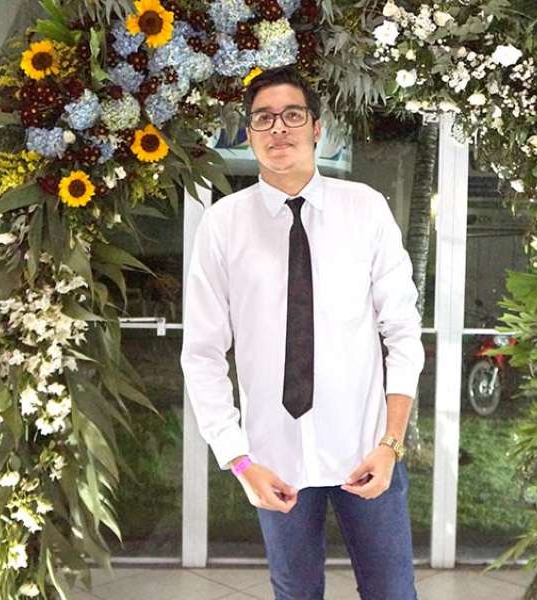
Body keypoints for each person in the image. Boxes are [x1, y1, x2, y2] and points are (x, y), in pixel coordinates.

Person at [180, 66, 424, 600]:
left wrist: (390, 443)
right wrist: (238, 459)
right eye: (263, 118)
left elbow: (403, 331)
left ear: (316, 127)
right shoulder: (223, 225)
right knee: (294, 594)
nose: (278, 128)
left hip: (366, 449)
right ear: (248, 133)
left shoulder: (364, 209)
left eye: (292, 115)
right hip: (274, 456)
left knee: (392, 592)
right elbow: (201, 352)